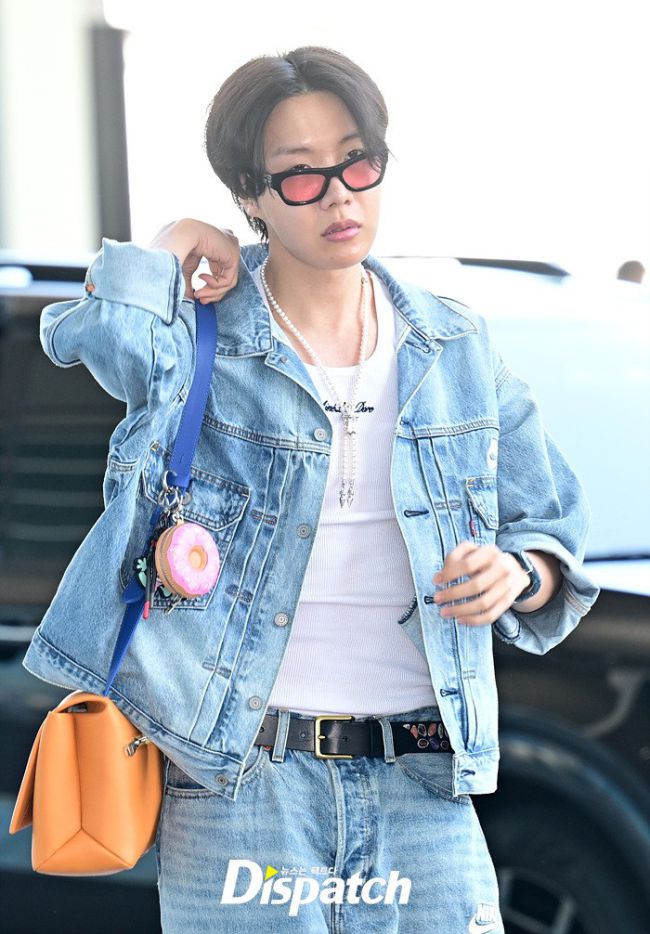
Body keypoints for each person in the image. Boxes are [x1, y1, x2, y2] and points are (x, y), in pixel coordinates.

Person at [24, 46, 600, 932]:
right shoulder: (205, 340)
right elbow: (98, 336)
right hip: (242, 785)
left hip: (424, 781)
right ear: (249, 193)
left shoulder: (453, 346)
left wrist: (520, 575)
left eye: (357, 162)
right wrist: (175, 239)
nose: (340, 196)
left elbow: (550, 522)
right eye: (300, 175)